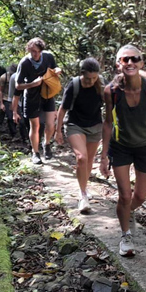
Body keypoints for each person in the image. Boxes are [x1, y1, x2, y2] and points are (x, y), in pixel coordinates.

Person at [100, 45, 146, 257]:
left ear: (141, 62)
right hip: (121, 146)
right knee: (124, 195)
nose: (130, 63)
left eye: (134, 59)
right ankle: (125, 235)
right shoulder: (111, 91)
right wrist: (103, 156)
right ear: (118, 64)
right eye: (125, 60)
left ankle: (126, 213)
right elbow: (107, 123)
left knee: (139, 196)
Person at [55, 58, 105, 213]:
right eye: (88, 78)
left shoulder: (102, 83)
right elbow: (62, 109)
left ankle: (84, 185)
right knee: (81, 158)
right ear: (82, 74)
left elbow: (112, 103)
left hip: (95, 126)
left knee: (89, 160)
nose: (91, 81)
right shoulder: (74, 85)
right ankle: (83, 195)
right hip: (75, 125)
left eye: (94, 78)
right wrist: (58, 131)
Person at [15, 38, 61, 164]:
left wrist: (57, 69)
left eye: (37, 51)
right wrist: (31, 84)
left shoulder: (48, 57)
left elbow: (54, 67)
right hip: (31, 97)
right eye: (32, 51)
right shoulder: (24, 63)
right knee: (35, 126)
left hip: (47, 93)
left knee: (51, 124)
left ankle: (46, 144)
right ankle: (35, 153)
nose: (34, 54)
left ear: (41, 50)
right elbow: (18, 85)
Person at [0, 64, 18, 137]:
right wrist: (1, 103)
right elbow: (0, 90)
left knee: (16, 116)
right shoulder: (4, 77)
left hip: (16, 98)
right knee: (10, 116)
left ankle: (15, 130)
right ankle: (13, 133)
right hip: (6, 98)